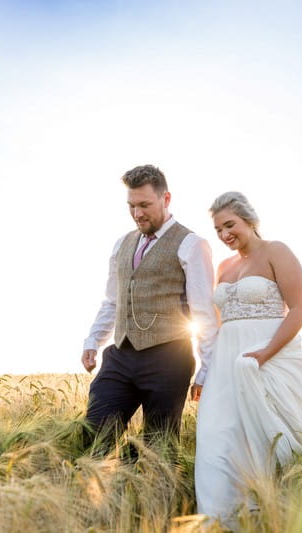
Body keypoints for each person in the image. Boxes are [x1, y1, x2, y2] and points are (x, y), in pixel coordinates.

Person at [194, 191, 302, 521]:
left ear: (249, 220)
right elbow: (218, 322)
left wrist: (263, 354)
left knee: (268, 433)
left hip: (267, 355)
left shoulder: (277, 251)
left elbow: (301, 309)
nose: (224, 235)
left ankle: (273, 510)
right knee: (215, 433)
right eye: (218, 229)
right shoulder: (224, 266)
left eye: (229, 225)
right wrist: (204, 370)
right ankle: (219, 519)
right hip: (225, 362)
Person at [81, 164, 217, 456]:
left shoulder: (192, 245)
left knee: (157, 452)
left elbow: (204, 313)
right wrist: (93, 341)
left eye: (145, 205)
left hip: (168, 360)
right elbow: (113, 300)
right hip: (120, 357)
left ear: (166, 199)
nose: (137, 213)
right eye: (131, 206)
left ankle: (150, 500)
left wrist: (206, 370)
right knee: (93, 435)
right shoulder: (122, 244)